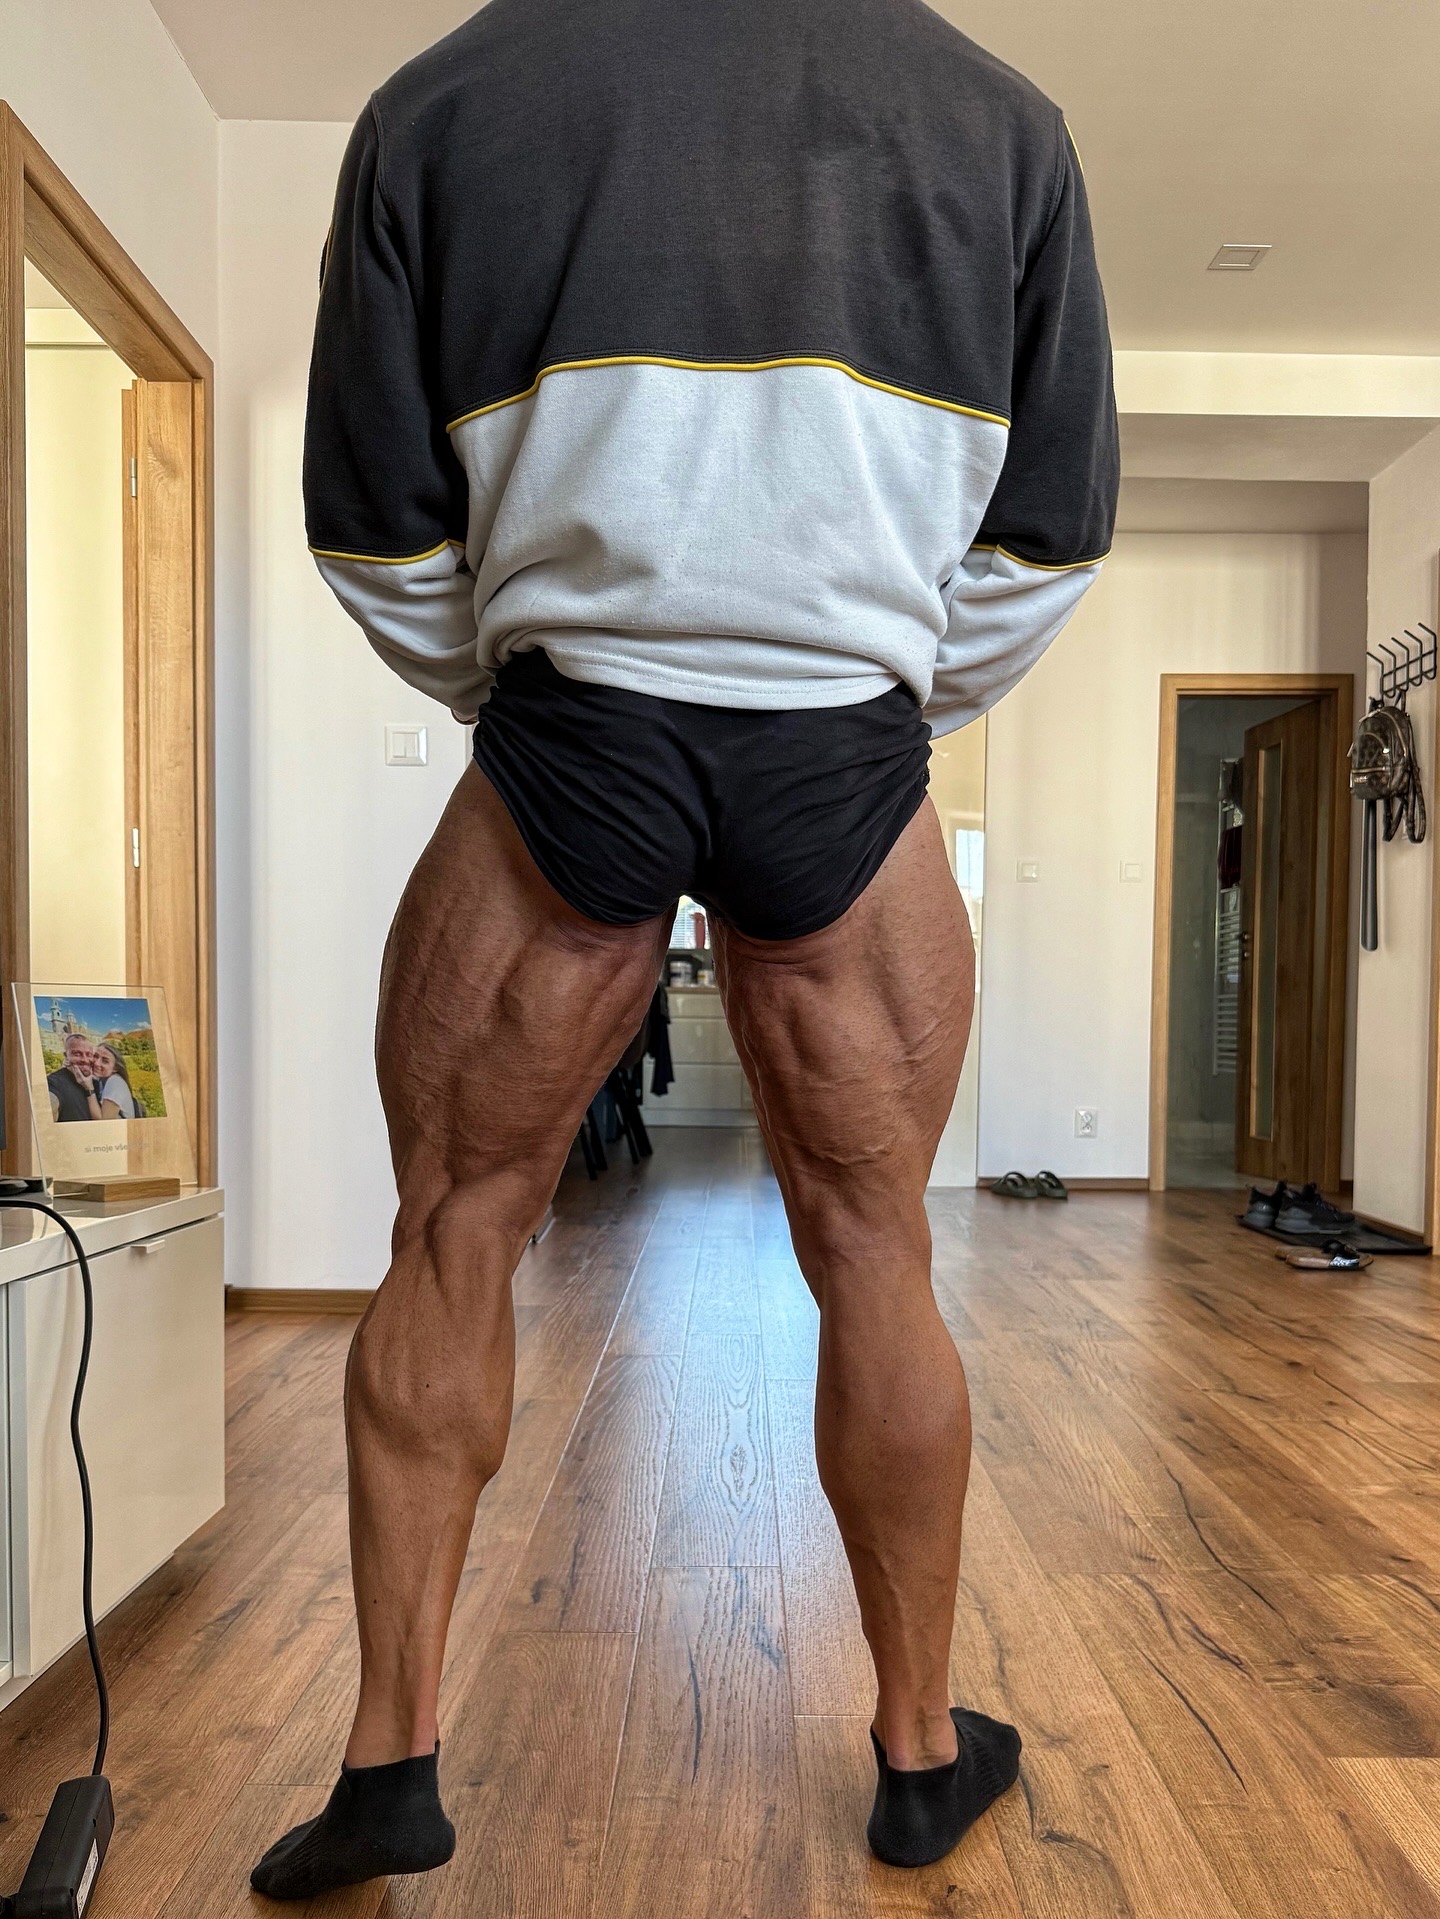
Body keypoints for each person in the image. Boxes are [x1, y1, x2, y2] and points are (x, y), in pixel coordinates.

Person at [251, 0, 1117, 1900]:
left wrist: (528, 695)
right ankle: (918, 1753)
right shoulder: (1003, 122)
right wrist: (877, 696)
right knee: (876, 1242)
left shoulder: (439, 102)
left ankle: (388, 1768)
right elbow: (1053, 533)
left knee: (453, 1226)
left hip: (574, 717)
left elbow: (373, 523)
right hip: (848, 741)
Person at [47, 1032, 97, 1124]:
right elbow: (50, 1102)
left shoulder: (96, 1082)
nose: (85, 1060)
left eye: (88, 1054)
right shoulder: (55, 1082)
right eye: (77, 1054)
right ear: (66, 1055)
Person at [90, 1043, 139, 1120]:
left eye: (105, 1061)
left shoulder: (115, 1082)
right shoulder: (101, 1081)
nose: (96, 1063)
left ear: (115, 1068)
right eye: (96, 1056)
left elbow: (105, 1122)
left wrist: (89, 1089)